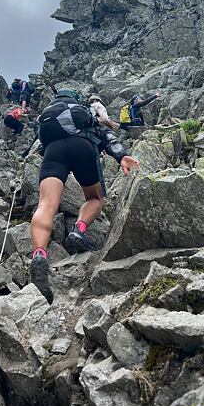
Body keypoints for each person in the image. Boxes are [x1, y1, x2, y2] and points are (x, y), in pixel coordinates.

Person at [30, 89, 139, 303]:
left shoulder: (50, 117)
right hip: (83, 147)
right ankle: (78, 230)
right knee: (95, 199)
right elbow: (106, 135)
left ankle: (39, 254)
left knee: (46, 204)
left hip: (53, 151)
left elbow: (41, 146)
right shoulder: (83, 112)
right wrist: (121, 156)